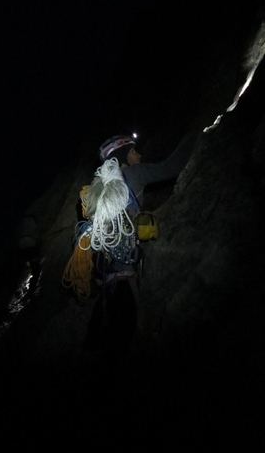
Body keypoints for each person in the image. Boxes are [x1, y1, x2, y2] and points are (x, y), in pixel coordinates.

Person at [79, 129, 199, 360]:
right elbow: (173, 166)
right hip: (122, 268)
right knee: (123, 329)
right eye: (133, 151)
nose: (139, 155)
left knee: (101, 329)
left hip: (103, 268)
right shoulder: (134, 174)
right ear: (123, 155)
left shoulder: (102, 187)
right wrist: (197, 133)